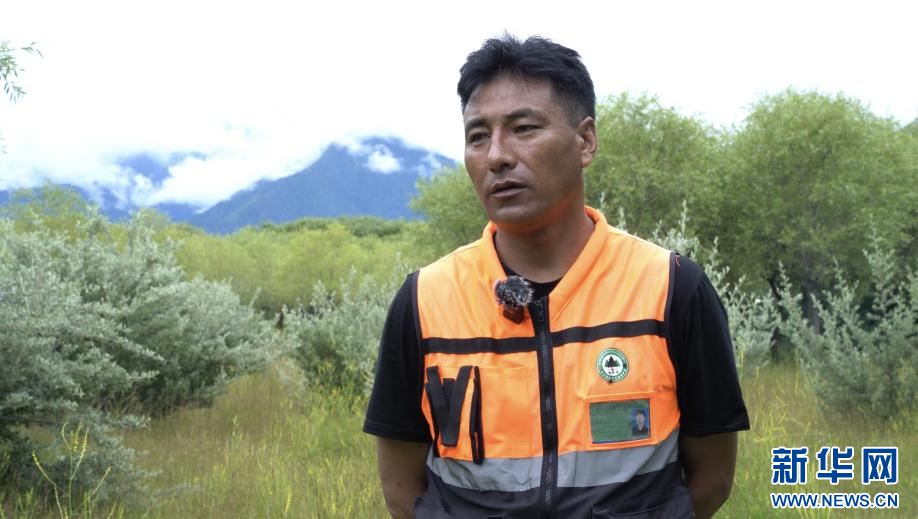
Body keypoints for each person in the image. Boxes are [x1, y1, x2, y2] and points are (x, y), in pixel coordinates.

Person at [363, 34, 749, 519]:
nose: (496, 155)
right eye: (477, 136)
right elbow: (401, 488)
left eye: (523, 128)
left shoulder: (671, 287)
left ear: (585, 141)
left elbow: (712, 476)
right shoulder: (425, 299)